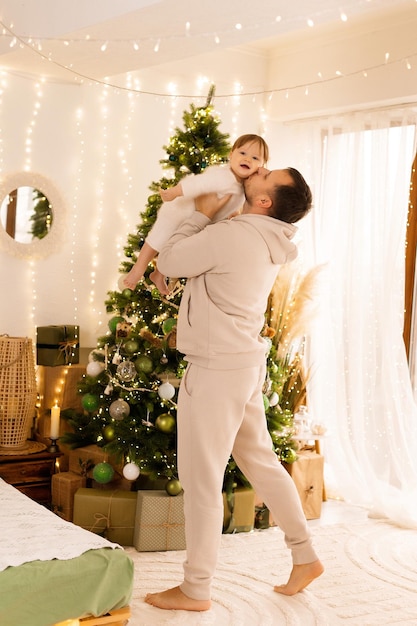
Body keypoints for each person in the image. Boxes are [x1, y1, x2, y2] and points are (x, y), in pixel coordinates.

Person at [145, 166, 324, 612]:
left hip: (216, 368)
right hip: (241, 363)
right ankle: (304, 555)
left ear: (265, 201)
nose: (258, 169)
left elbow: (168, 260)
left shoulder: (233, 236)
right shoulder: (267, 239)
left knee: (201, 480)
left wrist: (200, 215)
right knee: (261, 462)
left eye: (268, 175)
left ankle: (195, 589)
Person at [123, 134, 269, 294]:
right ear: (231, 154)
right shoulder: (223, 176)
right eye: (242, 153)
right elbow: (198, 183)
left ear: (261, 166)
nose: (247, 159)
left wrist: (233, 212)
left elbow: (231, 202)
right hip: (179, 210)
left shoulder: (242, 186)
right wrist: (175, 192)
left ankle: (158, 274)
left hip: (196, 219)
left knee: (175, 248)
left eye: (255, 158)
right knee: (159, 238)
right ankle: (138, 269)